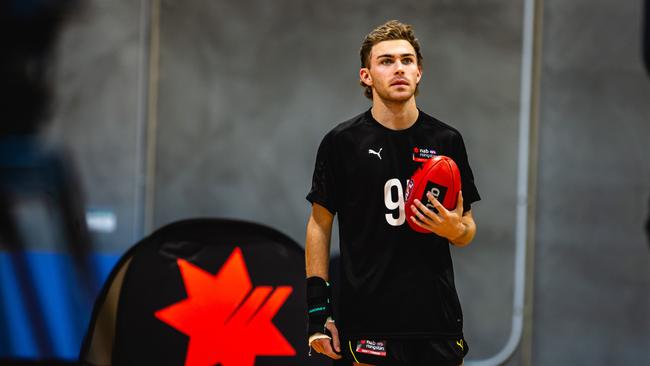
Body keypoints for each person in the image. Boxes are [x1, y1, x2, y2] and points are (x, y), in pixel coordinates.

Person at [305, 20, 481, 366]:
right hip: (370, 320)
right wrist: (317, 315)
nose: (398, 68)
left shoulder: (446, 141)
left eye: (406, 60)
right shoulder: (342, 143)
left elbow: (467, 229)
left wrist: (454, 230)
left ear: (419, 72)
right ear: (366, 76)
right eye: (386, 61)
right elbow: (319, 226)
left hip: (437, 320)